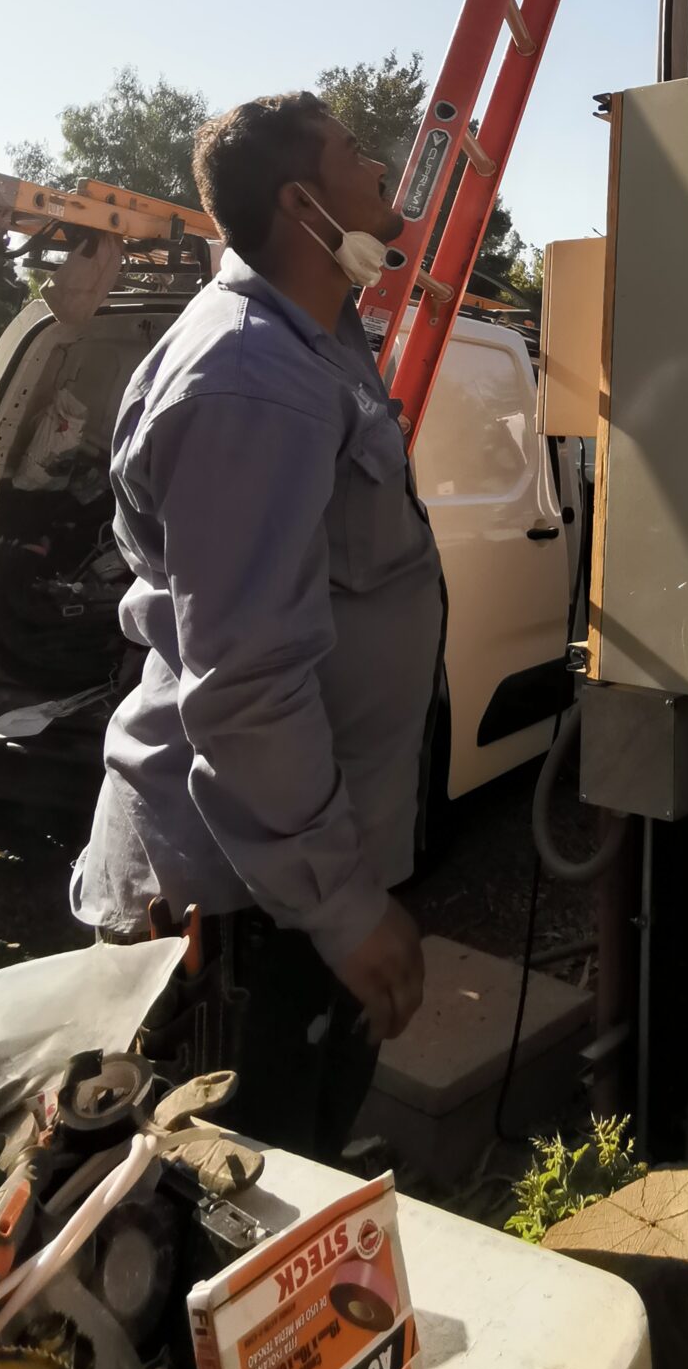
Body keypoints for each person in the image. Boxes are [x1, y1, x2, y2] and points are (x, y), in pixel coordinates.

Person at [71, 91, 443, 1159]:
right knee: (224, 1222)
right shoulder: (253, 376)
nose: (381, 172)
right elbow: (246, 680)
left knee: (284, 1193)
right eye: (356, 155)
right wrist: (342, 904)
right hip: (237, 916)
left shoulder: (312, 341)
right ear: (302, 203)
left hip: (269, 889)